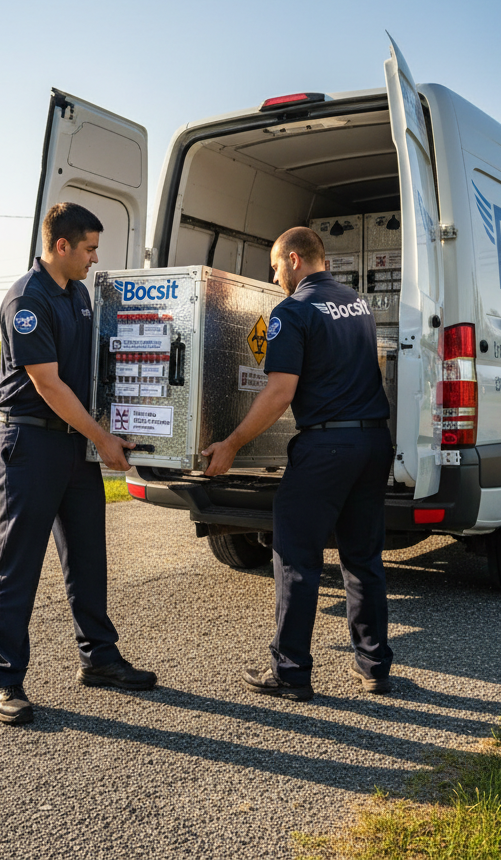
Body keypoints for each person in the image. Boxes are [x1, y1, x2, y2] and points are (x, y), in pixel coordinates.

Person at [201, 226, 394, 701]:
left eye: (273, 264)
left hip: (326, 449)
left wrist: (230, 442)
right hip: (373, 444)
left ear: (292, 259)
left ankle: (290, 672)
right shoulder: (357, 303)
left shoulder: (292, 311)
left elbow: (279, 392)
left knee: (296, 557)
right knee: (363, 557)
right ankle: (374, 667)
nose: (273, 274)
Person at [0, 202, 157, 725]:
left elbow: (89, 371)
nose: (94, 258)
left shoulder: (79, 294)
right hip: (32, 445)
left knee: (88, 556)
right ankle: (6, 680)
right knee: (20, 565)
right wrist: (102, 438)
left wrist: (118, 422)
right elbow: (47, 383)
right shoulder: (28, 299)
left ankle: (99, 659)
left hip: (75, 445)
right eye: (89, 248)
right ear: (61, 246)